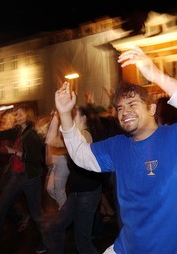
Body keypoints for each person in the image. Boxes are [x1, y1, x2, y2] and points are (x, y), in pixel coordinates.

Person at [54, 46, 177, 253]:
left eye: (132, 104)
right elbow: (81, 155)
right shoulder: (116, 145)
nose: (125, 111)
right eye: (120, 108)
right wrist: (65, 114)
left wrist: (156, 75)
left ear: (152, 108)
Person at [0, 104, 48, 252]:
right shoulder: (19, 130)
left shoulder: (32, 133)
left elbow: (34, 158)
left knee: (37, 214)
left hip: (30, 178)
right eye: (16, 114)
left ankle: (46, 241)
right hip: (16, 176)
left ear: (28, 115)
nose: (16, 117)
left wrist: (14, 151)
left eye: (19, 114)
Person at [44, 105, 103, 253]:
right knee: (56, 228)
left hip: (88, 195)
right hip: (76, 194)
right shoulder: (73, 137)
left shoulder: (85, 135)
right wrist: (58, 116)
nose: (69, 118)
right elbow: (51, 141)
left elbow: (52, 140)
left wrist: (58, 117)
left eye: (73, 115)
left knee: (82, 243)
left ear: (83, 118)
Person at [45, 110, 70, 210]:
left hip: (62, 162)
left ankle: (64, 212)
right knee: (50, 188)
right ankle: (67, 208)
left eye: (55, 115)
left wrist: (54, 144)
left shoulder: (64, 128)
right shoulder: (53, 129)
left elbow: (64, 147)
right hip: (55, 163)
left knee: (59, 190)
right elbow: (49, 146)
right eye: (52, 115)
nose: (52, 117)